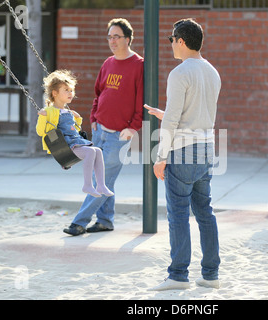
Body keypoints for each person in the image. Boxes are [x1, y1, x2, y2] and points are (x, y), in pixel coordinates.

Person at [145, 18, 221, 291]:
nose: (171, 44)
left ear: (181, 40)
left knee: (178, 214)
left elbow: (175, 119)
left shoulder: (179, 73)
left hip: (183, 151)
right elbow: (197, 115)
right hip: (207, 149)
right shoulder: (212, 72)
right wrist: (164, 115)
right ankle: (211, 275)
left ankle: (178, 275)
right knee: (205, 213)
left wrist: (160, 156)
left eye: (172, 39)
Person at [63, 18, 144, 236]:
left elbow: (141, 101)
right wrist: (94, 119)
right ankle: (106, 220)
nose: (112, 40)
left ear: (128, 38)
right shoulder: (107, 63)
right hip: (100, 131)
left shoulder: (138, 65)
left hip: (120, 135)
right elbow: (98, 94)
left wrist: (133, 128)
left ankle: (79, 222)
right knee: (104, 180)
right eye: (109, 36)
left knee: (101, 181)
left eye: (116, 36)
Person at [36, 70, 113, 198]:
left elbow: (73, 132)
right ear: (55, 93)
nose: (70, 93)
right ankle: (87, 185)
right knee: (90, 152)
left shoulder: (68, 112)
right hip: (63, 147)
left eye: (71, 90)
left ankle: (101, 185)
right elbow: (40, 131)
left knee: (98, 151)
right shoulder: (48, 111)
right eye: (66, 90)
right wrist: (43, 117)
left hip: (74, 143)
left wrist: (77, 120)